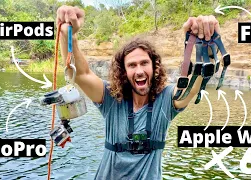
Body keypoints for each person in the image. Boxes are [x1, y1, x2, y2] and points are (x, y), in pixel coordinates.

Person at [56, 5, 221, 180]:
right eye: (132, 65)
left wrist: (207, 46)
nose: (139, 70)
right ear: (124, 72)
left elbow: (191, 87)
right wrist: (69, 36)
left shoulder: (166, 100)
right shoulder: (111, 98)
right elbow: (81, 74)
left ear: (154, 67)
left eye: (144, 63)